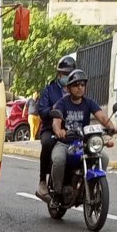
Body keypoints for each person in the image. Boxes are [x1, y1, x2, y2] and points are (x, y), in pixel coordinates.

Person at [50, 69, 117, 207]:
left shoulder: (89, 102)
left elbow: (102, 117)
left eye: (82, 84)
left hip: (83, 143)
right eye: (76, 85)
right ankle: (56, 193)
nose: (80, 87)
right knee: (58, 159)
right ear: (69, 88)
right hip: (65, 143)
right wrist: (59, 131)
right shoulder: (62, 103)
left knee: (103, 157)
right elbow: (56, 121)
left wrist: (112, 127)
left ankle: (93, 186)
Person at [35, 55, 76, 199]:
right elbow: (41, 111)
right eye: (64, 74)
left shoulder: (76, 90)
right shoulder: (49, 90)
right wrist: (53, 108)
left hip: (72, 129)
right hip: (50, 128)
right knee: (48, 143)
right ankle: (42, 181)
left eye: (69, 74)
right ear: (59, 74)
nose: (66, 77)